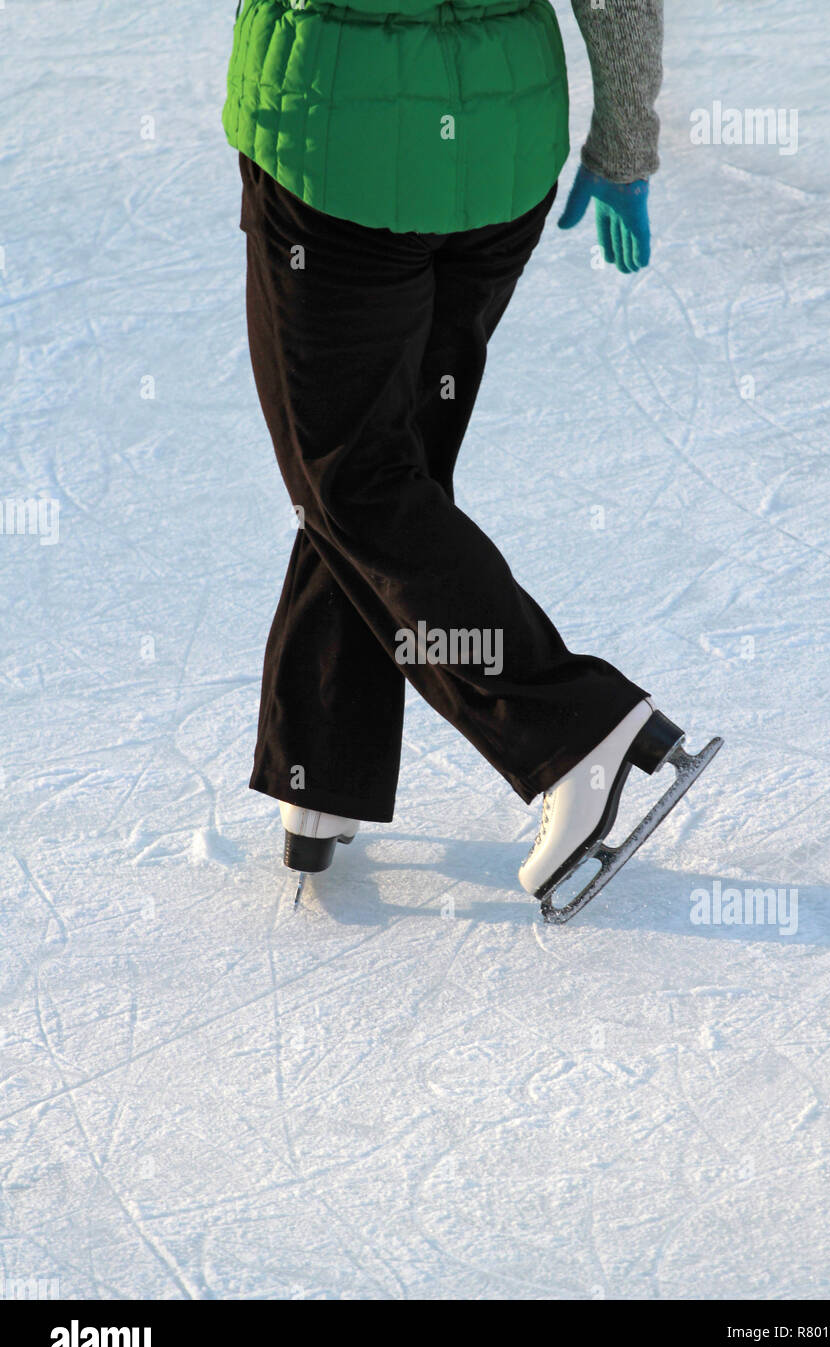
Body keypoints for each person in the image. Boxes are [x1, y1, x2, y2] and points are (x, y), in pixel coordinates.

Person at [222, 0, 720, 915]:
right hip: (499, 152)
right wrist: (621, 138)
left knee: (351, 481)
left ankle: (574, 728)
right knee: (392, 469)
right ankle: (322, 764)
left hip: (338, 149)